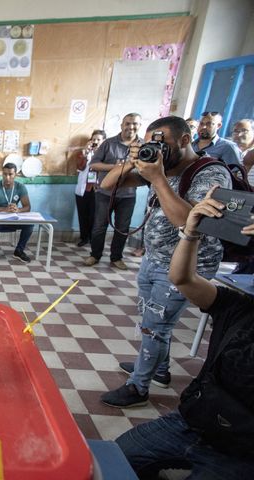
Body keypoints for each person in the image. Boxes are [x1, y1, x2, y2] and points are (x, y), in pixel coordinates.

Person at [115, 193, 254, 478]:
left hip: (243, 452)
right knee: (114, 459)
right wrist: (190, 233)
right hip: (193, 424)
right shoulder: (239, 309)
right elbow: (182, 279)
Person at [97, 115, 231, 408]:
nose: (157, 149)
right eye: (151, 143)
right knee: (153, 320)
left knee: (155, 325)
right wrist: (133, 161)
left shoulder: (209, 173)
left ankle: (139, 388)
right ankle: (158, 367)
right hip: (154, 259)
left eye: (162, 143)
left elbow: (188, 222)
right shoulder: (163, 168)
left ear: (185, 140)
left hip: (187, 266)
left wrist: (157, 177)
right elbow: (107, 184)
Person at [84, 113, 143, 270]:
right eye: (128, 123)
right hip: (105, 194)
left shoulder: (143, 146)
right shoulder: (108, 144)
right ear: (122, 125)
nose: (131, 127)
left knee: (122, 228)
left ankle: (116, 257)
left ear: (140, 126)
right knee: (99, 226)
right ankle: (95, 255)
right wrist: (117, 168)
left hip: (128, 195)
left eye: (135, 124)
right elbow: (94, 165)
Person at [0, 162, 33, 263]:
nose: (7, 177)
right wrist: (4, 209)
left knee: (30, 225)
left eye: (10, 174)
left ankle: (19, 251)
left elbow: (27, 207)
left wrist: (18, 210)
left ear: (15, 175)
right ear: (2, 174)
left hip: (14, 219)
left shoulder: (20, 187)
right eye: (5, 174)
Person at [74, 130, 106, 247]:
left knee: (95, 216)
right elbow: (80, 168)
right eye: (94, 139)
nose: (96, 142)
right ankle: (84, 237)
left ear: (104, 142)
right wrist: (86, 154)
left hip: (98, 190)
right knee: (83, 215)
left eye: (98, 140)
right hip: (83, 189)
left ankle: (94, 239)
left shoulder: (106, 154)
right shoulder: (83, 153)